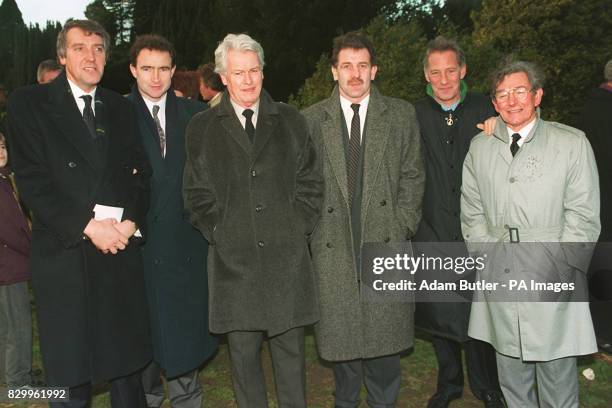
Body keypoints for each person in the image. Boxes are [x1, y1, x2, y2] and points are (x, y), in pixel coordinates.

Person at [6, 19, 152, 408]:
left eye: (99, 48)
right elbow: (34, 183)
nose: (91, 56)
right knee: (70, 379)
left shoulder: (121, 106)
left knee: (126, 375)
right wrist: (88, 227)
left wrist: (130, 223)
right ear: (61, 55)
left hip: (118, 257)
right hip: (65, 259)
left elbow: (141, 174)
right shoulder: (29, 104)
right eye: (79, 48)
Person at [183, 33, 323, 407]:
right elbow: (195, 194)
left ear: (263, 72)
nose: (248, 81)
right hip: (234, 267)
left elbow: (311, 182)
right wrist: (219, 232)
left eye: (254, 71)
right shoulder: (202, 127)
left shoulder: (291, 120)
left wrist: (298, 226)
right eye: (238, 73)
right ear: (223, 77)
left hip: (286, 262)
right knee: (244, 366)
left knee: (291, 363)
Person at [461, 59, 599, 407]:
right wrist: (487, 257)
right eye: (502, 94)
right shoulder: (480, 148)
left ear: (537, 95)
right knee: (512, 381)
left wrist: (560, 269)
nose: (511, 100)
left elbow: (583, 215)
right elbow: (471, 211)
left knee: (557, 383)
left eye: (520, 91)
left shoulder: (571, 143)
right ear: (494, 103)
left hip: (552, 277)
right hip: (500, 277)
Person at [302, 31, 424, 408]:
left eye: (362, 66)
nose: (355, 74)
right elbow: (302, 183)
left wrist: (402, 224)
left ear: (375, 70)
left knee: (385, 343)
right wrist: (311, 232)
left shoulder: (401, 115)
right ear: (333, 72)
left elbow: (413, 175)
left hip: (384, 236)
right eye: (346, 66)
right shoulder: (311, 120)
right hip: (333, 241)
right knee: (342, 340)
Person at [127, 34, 218, 408]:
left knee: (183, 340)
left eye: (163, 69)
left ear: (174, 71)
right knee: (142, 339)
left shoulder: (196, 116)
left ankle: (187, 401)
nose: (155, 77)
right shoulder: (115, 114)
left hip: (186, 248)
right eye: (146, 68)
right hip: (138, 249)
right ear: (133, 70)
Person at [413, 36, 504, 408]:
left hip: (478, 230)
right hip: (432, 228)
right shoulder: (413, 114)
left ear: (463, 70)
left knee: (482, 311)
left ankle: (488, 386)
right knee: (441, 312)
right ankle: (449, 384)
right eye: (436, 72)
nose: (444, 79)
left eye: (451, 70)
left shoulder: (488, 109)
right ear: (426, 75)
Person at [579, 59, 612, 354]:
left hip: (593, 200)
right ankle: (604, 333)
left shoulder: (586, 108)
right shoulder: (602, 110)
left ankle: (600, 331)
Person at [0, 131, 32, 388]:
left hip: (9, 264)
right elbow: (11, 227)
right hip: (10, 266)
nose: (0, 151)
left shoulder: (6, 178)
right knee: (18, 327)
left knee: (7, 325)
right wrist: (33, 248)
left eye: (1, 145)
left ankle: (10, 376)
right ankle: (18, 383)